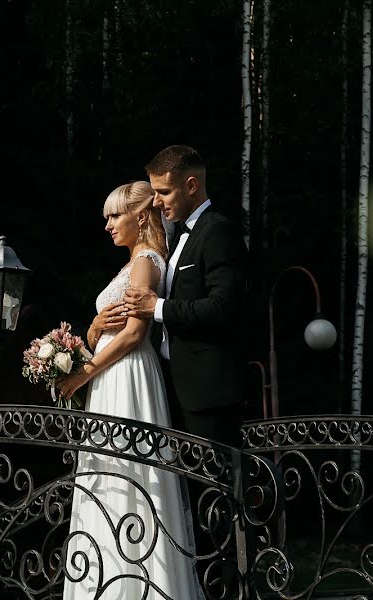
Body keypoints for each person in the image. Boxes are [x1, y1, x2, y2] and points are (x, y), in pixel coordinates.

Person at [56, 181, 203, 600]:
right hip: (112, 373)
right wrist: (94, 328)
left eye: (114, 216)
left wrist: (82, 372)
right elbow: (106, 328)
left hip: (126, 376)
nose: (108, 226)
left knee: (128, 472)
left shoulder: (145, 262)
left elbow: (137, 334)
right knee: (108, 472)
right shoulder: (129, 265)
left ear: (140, 216)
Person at [124, 145, 248, 447]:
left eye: (163, 192)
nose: (156, 201)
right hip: (170, 387)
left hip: (208, 395)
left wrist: (157, 307)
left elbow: (222, 308)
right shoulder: (177, 236)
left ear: (191, 186)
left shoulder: (219, 232)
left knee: (213, 488)